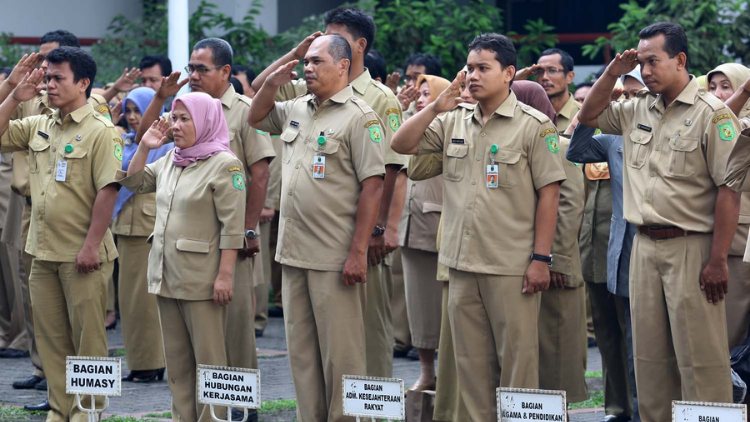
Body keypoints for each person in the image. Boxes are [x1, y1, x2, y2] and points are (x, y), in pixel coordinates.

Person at [391, 33, 566, 421]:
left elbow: (550, 195)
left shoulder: (534, 126)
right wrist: (436, 105)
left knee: (517, 366)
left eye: (482, 68)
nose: (472, 75)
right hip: (461, 263)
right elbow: (401, 144)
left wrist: (541, 259)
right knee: (469, 365)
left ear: (508, 73)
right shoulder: (452, 120)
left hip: (510, 265)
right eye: (468, 68)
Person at [578, 22, 739, 422]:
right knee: (648, 357)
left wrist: (718, 260)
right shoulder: (636, 109)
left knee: (700, 356)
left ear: (680, 60)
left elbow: (729, 190)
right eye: (641, 63)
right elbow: (588, 114)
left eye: (653, 61)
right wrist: (613, 72)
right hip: (643, 247)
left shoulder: (712, 115)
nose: (645, 71)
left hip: (692, 247)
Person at [248, 34, 385, 422]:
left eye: (316, 61)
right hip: (293, 253)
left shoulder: (361, 117)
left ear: (343, 65)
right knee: (303, 353)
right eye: (305, 62)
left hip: (333, 255)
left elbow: (373, 187)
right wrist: (277, 77)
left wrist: (358, 252)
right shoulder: (296, 107)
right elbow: (254, 116)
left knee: (341, 356)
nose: (308, 68)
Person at [136, 38, 274, 422]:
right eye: (191, 68)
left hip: (230, 248)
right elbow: (140, 161)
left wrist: (247, 234)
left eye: (202, 69)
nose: (192, 76)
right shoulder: (178, 137)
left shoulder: (244, 112)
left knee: (234, 340)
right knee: (186, 354)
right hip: (184, 258)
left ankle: (241, 412)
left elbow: (259, 172)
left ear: (225, 72)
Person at [0, 46, 123, 422]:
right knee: (52, 340)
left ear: (83, 83)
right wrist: (12, 92)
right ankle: (61, 408)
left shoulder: (102, 131)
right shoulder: (40, 124)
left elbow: (108, 190)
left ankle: (89, 411)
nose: (49, 85)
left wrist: (90, 246)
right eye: (47, 78)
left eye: (58, 78)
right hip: (42, 252)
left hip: (82, 256)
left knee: (88, 341)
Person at [121, 92, 246, 422]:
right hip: (167, 276)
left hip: (202, 280)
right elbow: (133, 182)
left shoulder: (225, 164)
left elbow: (233, 228)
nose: (175, 125)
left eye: (184, 118)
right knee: (177, 365)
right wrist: (145, 145)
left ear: (205, 121)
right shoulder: (172, 159)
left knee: (210, 363)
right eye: (173, 118)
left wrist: (224, 276)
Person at [566, 68, 647, 422]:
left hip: (662, 245)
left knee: (646, 341)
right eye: (623, 94)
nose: (629, 101)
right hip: (619, 249)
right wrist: (599, 107)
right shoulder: (614, 137)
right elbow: (576, 149)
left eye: (636, 93)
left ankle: (651, 408)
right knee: (617, 336)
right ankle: (622, 408)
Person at [111, 87, 171, 383]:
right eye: (129, 111)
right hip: (126, 226)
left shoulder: (161, 143)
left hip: (143, 228)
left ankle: (148, 364)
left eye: (139, 110)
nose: (134, 118)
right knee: (131, 300)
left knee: (141, 301)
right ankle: (144, 361)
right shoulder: (125, 142)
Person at [398, 74, 449, 391]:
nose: (421, 97)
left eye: (428, 93)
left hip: (441, 226)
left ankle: (449, 374)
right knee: (419, 308)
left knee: (447, 310)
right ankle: (427, 372)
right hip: (411, 225)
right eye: (419, 93)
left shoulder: (451, 125)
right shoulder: (414, 124)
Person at [706, 63, 750, 348]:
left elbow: (725, 124)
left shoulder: (739, 124)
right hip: (719, 238)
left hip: (741, 242)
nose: (717, 94)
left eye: (726, 86)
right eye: (711, 87)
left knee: (733, 330)